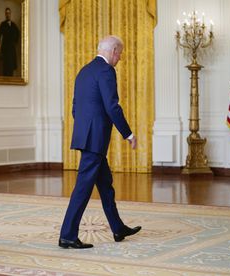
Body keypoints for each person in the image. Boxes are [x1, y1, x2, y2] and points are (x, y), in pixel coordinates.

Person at [58, 35, 141, 249]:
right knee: (82, 188)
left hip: (86, 136)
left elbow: (76, 108)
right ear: (113, 51)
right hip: (95, 139)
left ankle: (117, 227)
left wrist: (87, 128)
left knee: (105, 185)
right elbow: (112, 106)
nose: (120, 58)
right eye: (120, 53)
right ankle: (67, 235)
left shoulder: (84, 71)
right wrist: (129, 134)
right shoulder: (106, 71)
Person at [0, 7, 20, 76]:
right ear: (5, 14)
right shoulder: (2, 24)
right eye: (6, 13)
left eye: (9, 13)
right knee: (5, 66)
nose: (8, 14)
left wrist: (15, 41)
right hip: (5, 48)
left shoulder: (14, 25)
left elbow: (18, 33)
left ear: (10, 14)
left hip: (11, 48)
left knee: (11, 66)